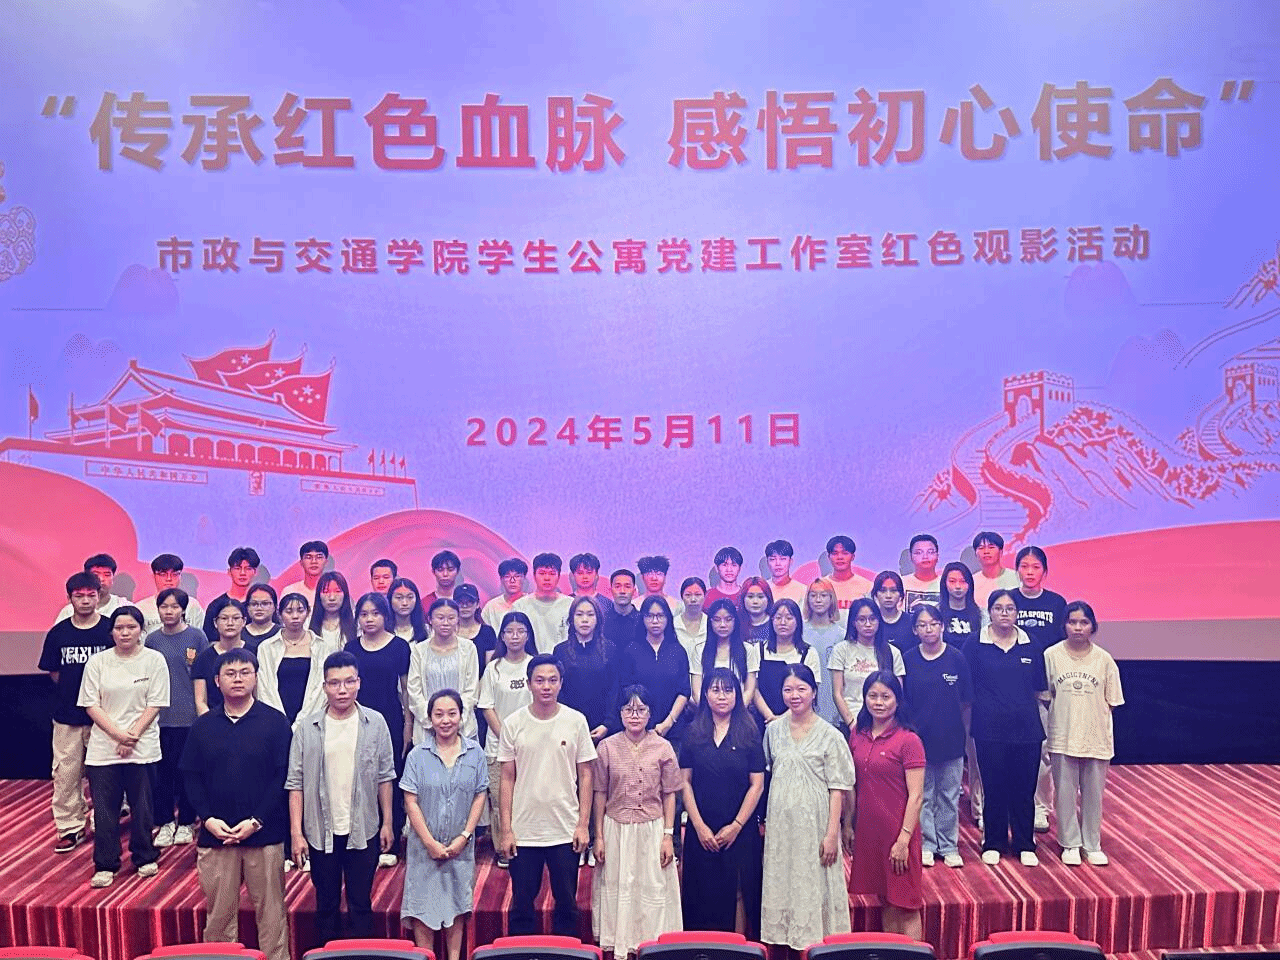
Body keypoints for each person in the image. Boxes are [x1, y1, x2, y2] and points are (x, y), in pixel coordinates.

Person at [180, 648, 293, 960]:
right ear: (217, 681)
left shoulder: (275, 722)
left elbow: (282, 777)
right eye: (230, 673)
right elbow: (190, 777)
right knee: (219, 918)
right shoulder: (203, 726)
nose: (238, 679)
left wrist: (257, 821)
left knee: (272, 916)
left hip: (265, 835)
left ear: (256, 678)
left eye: (245, 672)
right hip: (216, 836)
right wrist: (208, 819)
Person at [287, 650, 396, 946]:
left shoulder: (375, 722)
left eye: (349, 681)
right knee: (326, 905)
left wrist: (388, 823)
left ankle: (362, 953)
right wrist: (296, 833)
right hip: (321, 831)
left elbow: (385, 776)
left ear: (359, 682)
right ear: (324, 686)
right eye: (334, 683)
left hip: (363, 828)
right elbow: (295, 783)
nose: (342, 689)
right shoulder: (307, 728)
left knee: (361, 904)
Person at [497, 654, 597, 937]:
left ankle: (567, 953)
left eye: (553, 680)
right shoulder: (513, 723)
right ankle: (521, 954)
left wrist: (583, 825)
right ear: (529, 683)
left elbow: (586, 775)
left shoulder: (575, 721)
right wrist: (506, 830)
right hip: (524, 830)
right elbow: (507, 778)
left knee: (566, 904)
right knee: (521, 906)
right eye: (539, 680)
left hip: (564, 829)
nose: (546, 686)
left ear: (561, 683)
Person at [760, 664, 854, 953]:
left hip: (816, 825)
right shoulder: (773, 731)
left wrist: (832, 834)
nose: (794, 695)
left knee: (814, 882)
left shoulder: (830, 735)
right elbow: (770, 771)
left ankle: (819, 949)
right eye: (788, 689)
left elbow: (838, 788)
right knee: (783, 880)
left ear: (814, 692)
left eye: (801, 689)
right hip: (781, 825)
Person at [78, 605, 168, 888]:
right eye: (119, 628)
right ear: (111, 632)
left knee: (143, 807)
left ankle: (144, 856)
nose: (125, 632)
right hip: (104, 749)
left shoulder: (154, 660)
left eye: (131, 627)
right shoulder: (98, 663)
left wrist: (133, 736)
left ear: (141, 630)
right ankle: (106, 863)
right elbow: (91, 704)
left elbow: (156, 702)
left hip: (143, 747)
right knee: (105, 810)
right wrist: (119, 736)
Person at [591, 685, 684, 956]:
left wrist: (668, 835)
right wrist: (599, 836)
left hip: (652, 829)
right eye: (628, 709)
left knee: (651, 891)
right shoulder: (607, 747)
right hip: (616, 829)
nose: (634, 715)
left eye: (641, 709)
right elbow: (599, 793)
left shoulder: (663, 747)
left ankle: (651, 950)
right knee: (619, 891)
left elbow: (670, 794)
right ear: (620, 713)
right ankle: (622, 947)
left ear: (650, 713)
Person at [401, 689, 489, 960]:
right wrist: (429, 843)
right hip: (423, 848)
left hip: (459, 847)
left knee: (456, 908)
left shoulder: (475, 753)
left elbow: (480, 796)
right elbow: (410, 801)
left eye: (452, 713)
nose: (446, 720)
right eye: (439, 714)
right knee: (422, 910)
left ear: (461, 716)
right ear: (429, 718)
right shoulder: (417, 755)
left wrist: (464, 836)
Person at [681, 668, 765, 937]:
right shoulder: (692, 732)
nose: (722, 696)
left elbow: (757, 784)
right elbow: (684, 782)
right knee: (702, 891)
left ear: (737, 695)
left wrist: (736, 826)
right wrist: (699, 826)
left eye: (728, 690)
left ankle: (736, 949)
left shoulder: (750, 732)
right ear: (705, 694)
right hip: (701, 826)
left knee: (738, 891)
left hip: (740, 828)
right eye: (715, 690)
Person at [966, 589, 1047, 866]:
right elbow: (968, 686)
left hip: (1026, 730)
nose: (1004, 613)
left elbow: (1038, 686)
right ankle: (994, 841)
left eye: (1010, 608)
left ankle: (1025, 843)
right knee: (994, 787)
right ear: (989, 611)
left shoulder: (1030, 643)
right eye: (998, 608)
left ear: (1017, 613)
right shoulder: (975, 644)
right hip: (988, 730)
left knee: (1024, 789)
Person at [844, 671, 926, 938]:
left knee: (907, 904)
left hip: (899, 832)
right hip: (870, 832)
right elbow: (852, 784)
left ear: (898, 700)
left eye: (886, 697)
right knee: (886, 899)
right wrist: (849, 825)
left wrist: (903, 840)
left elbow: (916, 796)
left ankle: (914, 955)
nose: (878, 702)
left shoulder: (909, 740)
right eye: (873, 696)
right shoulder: (857, 734)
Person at [1044, 601, 1124, 867]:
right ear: (1064, 625)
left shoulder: (1104, 659)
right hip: (1063, 735)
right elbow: (1046, 695)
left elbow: (1112, 700)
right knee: (1064, 793)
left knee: (1093, 795)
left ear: (1093, 626)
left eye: (1084, 623)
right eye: (1072, 622)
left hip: (1095, 738)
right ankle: (1070, 843)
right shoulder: (1051, 655)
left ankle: (1091, 844)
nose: (1078, 628)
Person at [39, 572, 113, 853]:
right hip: (67, 716)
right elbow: (54, 673)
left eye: (90, 595)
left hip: (104, 717)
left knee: (103, 775)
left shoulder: (110, 629)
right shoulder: (58, 633)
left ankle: (103, 822)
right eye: (79, 596)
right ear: (69, 598)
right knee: (66, 774)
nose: (85, 601)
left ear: (99, 596)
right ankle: (70, 827)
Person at [901, 605, 971, 868]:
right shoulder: (908, 660)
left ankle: (949, 845)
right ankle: (928, 844)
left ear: (942, 626)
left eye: (933, 624)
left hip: (951, 738)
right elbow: (904, 701)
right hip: (919, 740)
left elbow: (965, 700)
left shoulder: (957, 658)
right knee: (924, 795)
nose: (928, 629)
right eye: (922, 625)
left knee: (949, 796)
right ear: (915, 630)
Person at [348, 590, 413, 867]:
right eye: (364, 614)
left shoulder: (399, 647)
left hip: (391, 720)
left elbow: (406, 690)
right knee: (361, 778)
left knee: (390, 778)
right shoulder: (351, 648)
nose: (369, 619)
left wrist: (408, 724)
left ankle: (392, 839)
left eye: (375, 613)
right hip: (358, 720)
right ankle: (366, 840)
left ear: (385, 616)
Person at [146, 587, 209, 848]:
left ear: (184, 610)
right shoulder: (152, 640)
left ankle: (186, 822)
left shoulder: (197, 637)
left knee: (187, 773)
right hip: (159, 718)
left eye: (174, 607)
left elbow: (203, 676)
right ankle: (165, 822)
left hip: (189, 718)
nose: (169, 611)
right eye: (164, 607)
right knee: (162, 774)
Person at [1011, 545, 1068, 832]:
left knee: (1043, 750)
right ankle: (1011, 803)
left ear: (1045, 571)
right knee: (1011, 749)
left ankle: (1041, 807)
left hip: (1045, 687)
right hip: (1012, 685)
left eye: (1035, 567)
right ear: (1017, 570)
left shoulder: (1057, 603)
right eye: (1024, 566)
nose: (1030, 572)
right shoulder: (1008, 600)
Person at [477, 612, 535, 868]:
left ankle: (529, 844)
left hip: (532, 744)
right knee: (501, 799)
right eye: (509, 631)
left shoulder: (534, 665)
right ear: (502, 636)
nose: (515, 636)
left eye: (520, 631)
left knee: (528, 797)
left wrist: (523, 740)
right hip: (498, 745)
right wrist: (507, 738)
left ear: (528, 635)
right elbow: (486, 706)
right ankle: (503, 847)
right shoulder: (494, 668)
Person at [257, 592, 340, 725]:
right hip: (274, 720)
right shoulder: (266, 647)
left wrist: (302, 723)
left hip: (312, 719)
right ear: (279, 614)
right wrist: (280, 721)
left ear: (308, 613)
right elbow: (264, 688)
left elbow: (321, 690)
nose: (295, 616)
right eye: (289, 611)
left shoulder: (321, 646)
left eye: (300, 611)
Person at [618, 596, 691, 742]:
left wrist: (668, 722)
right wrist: (640, 723)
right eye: (650, 616)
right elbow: (625, 691)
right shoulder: (631, 650)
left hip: (673, 730)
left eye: (660, 616)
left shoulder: (677, 651)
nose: (655, 621)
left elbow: (684, 692)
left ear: (668, 618)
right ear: (642, 618)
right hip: (637, 730)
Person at [828, 598, 904, 732]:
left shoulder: (892, 652)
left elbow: (898, 694)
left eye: (872, 619)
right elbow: (837, 693)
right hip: (850, 723)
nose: (868, 624)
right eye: (862, 619)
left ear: (879, 621)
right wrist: (852, 725)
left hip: (883, 725)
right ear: (853, 622)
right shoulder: (841, 650)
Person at [553, 594, 619, 743]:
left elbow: (615, 689)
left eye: (590, 614)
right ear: (571, 619)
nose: (584, 620)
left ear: (598, 619)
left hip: (603, 728)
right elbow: (559, 692)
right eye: (579, 614)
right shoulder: (560, 651)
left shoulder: (610, 649)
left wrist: (607, 724)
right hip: (569, 727)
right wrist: (568, 723)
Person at [755, 599, 823, 725]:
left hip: (798, 720)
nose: (783, 622)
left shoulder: (809, 653)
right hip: (763, 719)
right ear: (771, 621)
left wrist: (781, 719)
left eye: (789, 618)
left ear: (798, 622)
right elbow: (753, 689)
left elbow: (811, 691)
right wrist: (770, 716)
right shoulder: (758, 650)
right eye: (778, 618)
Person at [691, 598, 759, 709]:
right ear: (710, 622)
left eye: (728, 619)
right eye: (717, 620)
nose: (723, 625)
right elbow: (696, 692)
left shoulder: (748, 649)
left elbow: (749, 690)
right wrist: (712, 712)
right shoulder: (699, 650)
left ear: (735, 621)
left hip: (739, 711)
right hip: (707, 712)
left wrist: (735, 711)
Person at [193, 597, 251, 714]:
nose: (230, 623)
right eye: (224, 618)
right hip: (212, 720)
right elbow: (200, 701)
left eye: (236, 618)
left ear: (244, 621)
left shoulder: (254, 652)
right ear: (215, 623)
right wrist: (211, 722)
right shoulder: (203, 658)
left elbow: (259, 695)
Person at [512, 552, 573, 653]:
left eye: (552, 574)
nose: (547, 578)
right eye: (542, 573)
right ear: (534, 576)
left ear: (559, 576)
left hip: (563, 659)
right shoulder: (520, 606)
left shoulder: (570, 604)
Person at [803, 579, 845, 723]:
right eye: (813, 595)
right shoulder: (799, 632)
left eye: (823, 595)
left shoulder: (841, 635)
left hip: (834, 705)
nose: (818, 600)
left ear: (831, 598)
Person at [134, 553, 206, 634]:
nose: (169, 579)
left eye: (174, 574)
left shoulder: (193, 605)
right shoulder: (141, 608)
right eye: (163, 574)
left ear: (180, 576)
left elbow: (200, 636)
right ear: (154, 576)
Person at [202, 547, 262, 643]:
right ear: (229, 572)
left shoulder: (261, 605)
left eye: (248, 569)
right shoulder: (215, 606)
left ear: (255, 572)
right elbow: (208, 641)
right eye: (237, 568)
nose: (242, 573)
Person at [53, 553, 126, 624]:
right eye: (96, 574)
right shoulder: (69, 611)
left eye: (107, 575)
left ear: (113, 579)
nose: (101, 579)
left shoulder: (123, 606)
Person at [825, 536, 872, 618]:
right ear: (829, 557)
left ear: (853, 557)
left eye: (845, 553)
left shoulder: (867, 586)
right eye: (835, 553)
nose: (840, 557)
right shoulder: (820, 586)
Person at [455, 582, 497, 674]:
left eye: (469, 602)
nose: (464, 606)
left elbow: (490, 668)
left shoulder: (487, 632)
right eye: (460, 602)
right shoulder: (449, 632)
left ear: (477, 604)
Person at [940, 562, 983, 650]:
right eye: (952, 581)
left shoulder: (982, 615)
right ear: (944, 584)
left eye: (963, 581)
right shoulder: (936, 613)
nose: (958, 586)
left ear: (970, 584)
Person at [971, 532, 1020, 609]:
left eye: (991, 547)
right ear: (975, 554)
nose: (986, 552)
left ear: (1001, 551)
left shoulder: (1017, 578)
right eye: (981, 548)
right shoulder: (971, 582)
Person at [310, 570, 357, 647]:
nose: (332, 597)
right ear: (318, 596)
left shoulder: (356, 622)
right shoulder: (307, 623)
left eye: (337, 591)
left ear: (345, 595)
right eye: (326, 592)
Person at [278, 539, 330, 609]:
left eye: (319, 557)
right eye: (308, 557)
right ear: (301, 562)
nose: (314, 561)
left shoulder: (333, 591)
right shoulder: (289, 591)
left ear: (326, 562)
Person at [482, 558, 528, 633]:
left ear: (524, 579)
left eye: (517, 576)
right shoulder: (491, 607)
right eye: (507, 576)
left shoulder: (532, 603)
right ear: (501, 579)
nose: (512, 581)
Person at [872, 571, 915, 651]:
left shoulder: (911, 622)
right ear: (875, 595)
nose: (888, 596)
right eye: (883, 591)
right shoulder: (870, 623)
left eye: (893, 590)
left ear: (901, 594)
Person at [601, 567, 641, 648]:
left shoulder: (642, 621)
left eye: (627, 586)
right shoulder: (601, 621)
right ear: (610, 590)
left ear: (634, 591)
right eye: (617, 586)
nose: (622, 591)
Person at [901, 535, 943, 612]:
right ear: (910, 557)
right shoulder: (901, 583)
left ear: (937, 556)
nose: (925, 557)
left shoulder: (946, 583)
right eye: (919, 553)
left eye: (930, 552)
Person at [673, 576, 708, 661]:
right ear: (682, 597)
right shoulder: (673, 624)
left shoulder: (711, 623)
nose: (693, 599)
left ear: (705, 596)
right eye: (688, 595)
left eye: (698, 595)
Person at [765, 539, 808, 606]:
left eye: (783, 559)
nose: (778, 564)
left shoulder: (803, 590)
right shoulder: (763, 588)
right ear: (767, 562)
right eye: (773, 559)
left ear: (791, 561)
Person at [569, 552, 610, 621]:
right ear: (573, 575)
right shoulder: (567, 602)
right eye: (580, 573)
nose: (585, 577)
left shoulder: (607, 604)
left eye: (589, 572)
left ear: (596, 574)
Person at [389, 576, 429, 643]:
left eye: (410, 597)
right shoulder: (382, 632)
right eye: (399, 597)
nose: (405, 603)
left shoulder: (428, 631)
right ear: (390, 600)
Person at [740, 577, 774, 645]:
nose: (755, 601)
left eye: (760, 597)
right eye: (750, 597)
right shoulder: (736, 624)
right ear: (743, 599)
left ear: (768, 599)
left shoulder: (775, 624)